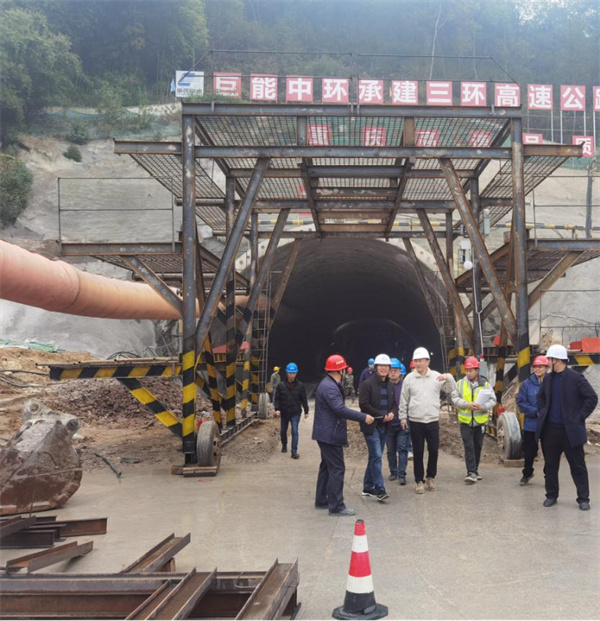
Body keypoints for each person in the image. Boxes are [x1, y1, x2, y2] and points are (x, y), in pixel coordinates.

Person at [536, 344, 598, 511]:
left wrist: (579, 416)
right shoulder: (548, 379)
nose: (547, 362)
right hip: (550, 431)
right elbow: (540, 397)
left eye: (549, 359)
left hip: (570, 431)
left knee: (578, 466)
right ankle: (551, 495)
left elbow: (592, 398)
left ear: (557, 360)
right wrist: (543, 411)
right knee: (550, 466)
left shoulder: (576, 378)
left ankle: (583, 498)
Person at [313, 354, 374, 516]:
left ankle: (321, 499)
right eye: (344, 369)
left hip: (325, 433)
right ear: (340, 370)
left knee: (326, 467)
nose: (345, 372)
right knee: (337, 468)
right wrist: (363, 417)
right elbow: (339, 409)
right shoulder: (329, 387)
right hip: (330, 435)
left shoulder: (329, 384)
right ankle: (336, 506)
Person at [399, 347, 455, 494]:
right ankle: (419, 481)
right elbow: (403, 400)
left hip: (432, 420)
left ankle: (431, 477)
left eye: (420, 361)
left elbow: (450, 389)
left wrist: (448, 377)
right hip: (416, 420)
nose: (418, 363)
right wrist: (403, 417)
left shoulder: (436, 377)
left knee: (434, 450)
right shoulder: (409, 379)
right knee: (418, 452)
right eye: (416, 361)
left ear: (427, 362)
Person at [450, 356, 496, 484]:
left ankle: (475, 470)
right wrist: (466, 404)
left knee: (477, 446)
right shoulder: (460, 384)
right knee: (468, 445)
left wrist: (483, 407)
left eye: (471, 370)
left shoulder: (485, 384)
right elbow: (454, 398)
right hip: (465, 422)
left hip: (480, 422)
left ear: (477, 370)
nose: (468, 373)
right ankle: (470, 472)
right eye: (467, 370)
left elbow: (493, 400)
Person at [359, 354, 395, 501]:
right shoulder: (366, 384)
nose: (383, 368)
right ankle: (380, 489)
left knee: (374, 456)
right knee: (377, 456)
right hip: (371, 426)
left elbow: (395, 404)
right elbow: (363, 404)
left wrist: (392, 413)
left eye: (386, 366)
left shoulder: (390, 385)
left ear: (389, 368)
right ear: (375, 367)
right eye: (381, 366)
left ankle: (367, 487)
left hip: (385, 426)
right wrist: (381, 414)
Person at [516, 355, 548, 486]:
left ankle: (549, 476)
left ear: (546, 368)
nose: (537, 369)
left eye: (540, 367)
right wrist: (536, 412)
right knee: (529, 452)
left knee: (549, 453)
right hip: (531, 425)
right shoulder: (526, 384)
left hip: (547, 425)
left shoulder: (551, 383)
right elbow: (521, 402)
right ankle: (527, 473)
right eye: (535, 367)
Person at [274, 362, 309, 459]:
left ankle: (294, 452)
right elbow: (277, 398)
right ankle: (284, 445)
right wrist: (277, 409)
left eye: (293, 373)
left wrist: (306, 411)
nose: (291, 375)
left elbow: (304, 399)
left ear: (296, 373)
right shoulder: (281, 385)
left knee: (294, 431)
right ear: (286, 373)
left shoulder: (300, 386)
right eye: (290, 373)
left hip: (295, 412)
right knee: (283, 430)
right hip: (284, 412)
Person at [386, 358, 410, 485]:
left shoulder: (405, 386)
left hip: (402, 423)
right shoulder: (384, 385)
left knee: (402, 449)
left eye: (395, 370)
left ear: (400, 371)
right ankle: (393, 472)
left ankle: (402, 474)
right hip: (388, 424)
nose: (393, 372)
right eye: (391, 370)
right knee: (390, 450)